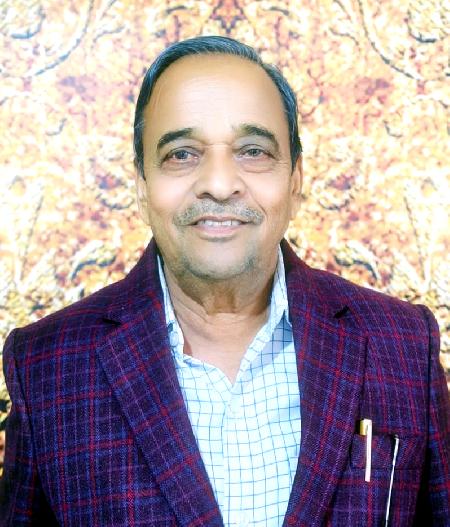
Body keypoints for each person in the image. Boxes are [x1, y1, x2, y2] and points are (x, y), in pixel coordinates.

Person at [0, 36, 448, 527]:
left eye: (253, 151)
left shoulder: (401, 343)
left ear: (296, 179)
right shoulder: (46, 364)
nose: (218, 184)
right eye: (181, 154)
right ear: (142, 185)